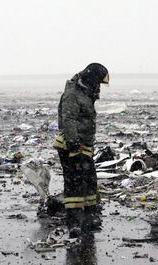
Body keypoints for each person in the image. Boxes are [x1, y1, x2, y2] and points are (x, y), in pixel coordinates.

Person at [54, 63, 109, 238]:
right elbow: (68, 118)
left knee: (89, 180)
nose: (99, 86)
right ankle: (74, 223)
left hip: (84, 145)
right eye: (98, 82)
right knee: (74, 184)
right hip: (71, 146)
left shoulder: (86, 92)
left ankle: (90, 218)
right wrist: (73, 143)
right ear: (91, 79)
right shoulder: (73, 94)